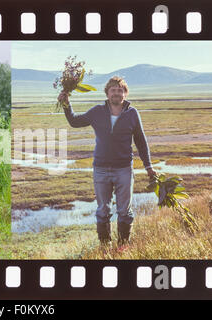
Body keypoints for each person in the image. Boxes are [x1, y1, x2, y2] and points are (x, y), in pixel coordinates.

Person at [59, 76, 156, 247]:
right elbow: (74, 121)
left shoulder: (132, 114)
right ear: (107, 93)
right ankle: (105, 247)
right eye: (113, 90)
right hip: (101, 169)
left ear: (125, 94)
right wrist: (66, 104)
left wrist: (148, 166)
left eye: (120, 90)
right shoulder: (97, 111)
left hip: (124, 169)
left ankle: (122, 246)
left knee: (124, 211)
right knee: (103, 210)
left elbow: (141, 141)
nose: (116, 93)